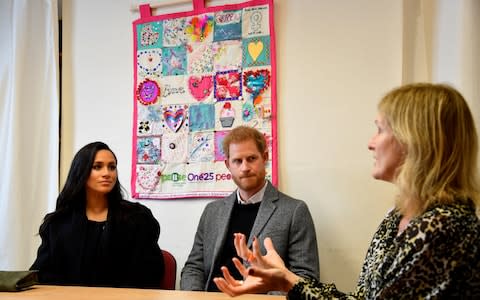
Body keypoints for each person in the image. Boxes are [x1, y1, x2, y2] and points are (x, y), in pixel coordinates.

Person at [213, 83, 480, 298]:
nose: (370, 143)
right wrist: (287, 280)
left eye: (380, 130)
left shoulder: (445, 226)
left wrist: (288, 282)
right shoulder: (396, 218)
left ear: (415, 140)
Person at [180, 126, 320, 292]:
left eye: (251, 158)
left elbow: (306, 279)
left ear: (265, 158)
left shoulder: (295, 211)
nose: (245, 167)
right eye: (237, 161)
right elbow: (193, 268)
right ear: (228, 165)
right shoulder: (212, 211)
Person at [31, 142, 165, 288]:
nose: (107, 173)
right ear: (81, 172)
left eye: (112, 167)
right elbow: (43, 276)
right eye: (97, 167)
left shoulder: (138, 218)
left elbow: (150, 273)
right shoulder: (57, 223)